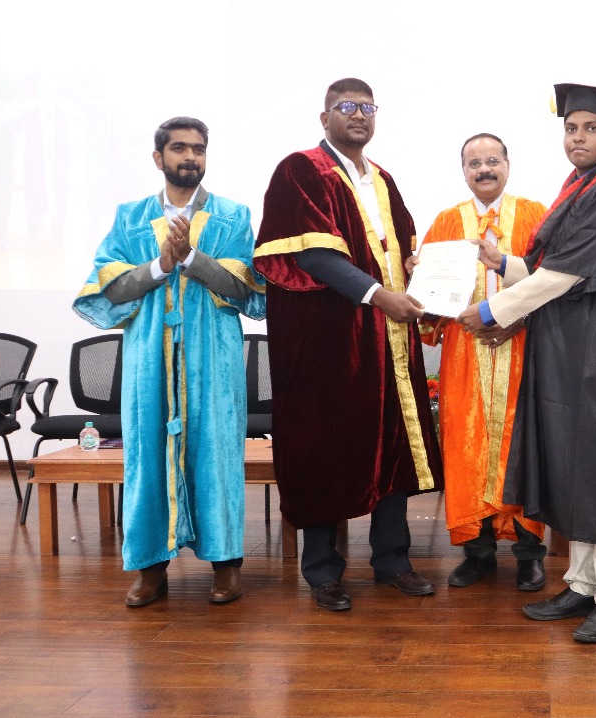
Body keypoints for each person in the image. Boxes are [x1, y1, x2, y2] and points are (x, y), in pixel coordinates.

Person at [456, 83, 596, 643]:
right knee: (574, 467)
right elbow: (557, 269)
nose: (578, 137)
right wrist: (504, 263)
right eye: (571, 128)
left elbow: (565, 276)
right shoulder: (578, 184)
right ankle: (584, 584)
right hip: (569, 346)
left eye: (592, 128)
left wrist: (490, 309)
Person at [254, 78, 443, 612]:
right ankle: (322, 570)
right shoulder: (301, 170)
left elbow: (400, 248)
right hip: (327, 343)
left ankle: (393, 560)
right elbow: (313, 256)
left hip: (387, 340)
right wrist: (381, 296)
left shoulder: (382, 179)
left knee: (391, 443)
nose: (358, 115)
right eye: (346, 106)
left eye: (367, 107)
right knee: (325, 445)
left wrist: (417, 271)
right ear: (325, 118)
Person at [73, 116, 265, 606]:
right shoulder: (130, 217)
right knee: (147, 456)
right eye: (179, 148)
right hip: (149, 360)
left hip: (213, 358)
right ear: (158, 157)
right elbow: (111, 289)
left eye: (198, 149)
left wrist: (190, 258)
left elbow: (243, 288)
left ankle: (226, 564)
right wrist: (160, 264)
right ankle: (150, 568)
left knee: (216, 454)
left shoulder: (232, 215)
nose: (190, 157)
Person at [418, 132, 548, 592]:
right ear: (464, 172)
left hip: (523, 352)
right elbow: (428, 300)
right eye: (474, 163)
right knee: (467, 446)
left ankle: (530, 553)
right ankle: (478, 551)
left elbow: (555, 281)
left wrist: (519, 319)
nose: (484, 169)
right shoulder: (446, 222)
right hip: (465, 354)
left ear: (508, 165)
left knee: (523, 445)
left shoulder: (535, 215)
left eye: (493, 160)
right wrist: (420, 282)